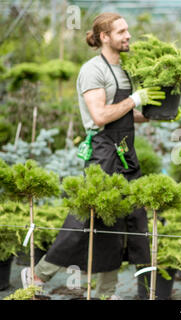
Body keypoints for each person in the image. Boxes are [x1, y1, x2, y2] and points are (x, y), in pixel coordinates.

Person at [21, 12, 165, 299]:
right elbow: (100, 115)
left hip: (126, 151)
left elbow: (125, 113)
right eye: (121, 31)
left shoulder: (124, 69)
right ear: (104, 37)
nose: (128, 36)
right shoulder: (92, 70)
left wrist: (152, 114)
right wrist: (134, 99)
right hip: (102, 152)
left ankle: (106, 293)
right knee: (84, 218)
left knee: (123, 219)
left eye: (128, 30)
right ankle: (38, 275)